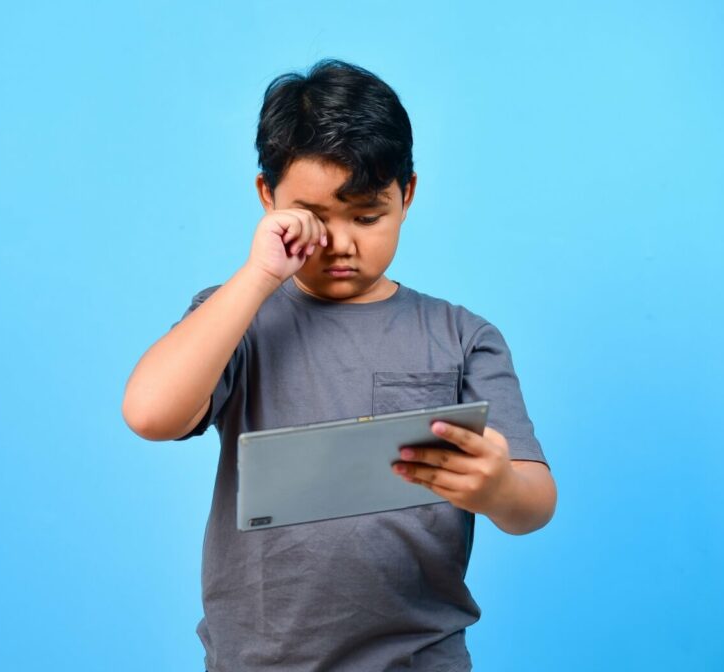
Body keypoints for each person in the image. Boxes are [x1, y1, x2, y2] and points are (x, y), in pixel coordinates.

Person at [122, 59, 557, 672]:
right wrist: (258, 275)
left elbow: (535, 501)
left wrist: (500, 487)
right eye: (313, 216)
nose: (342, 243)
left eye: (367, 215)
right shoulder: (235, 318)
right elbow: (149, 413)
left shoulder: (462, 336)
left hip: (420, 659)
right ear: (267, 198)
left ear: (406, 195)